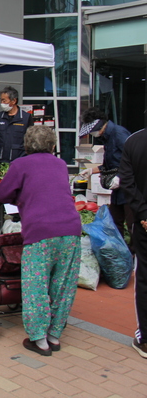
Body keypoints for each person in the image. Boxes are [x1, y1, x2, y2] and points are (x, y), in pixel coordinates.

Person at [0, 126, 82, 356]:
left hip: (40, 231)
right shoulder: (61, 165)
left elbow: (2, 194)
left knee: (36, 284)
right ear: (52, 145)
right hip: (71, 229)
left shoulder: (21, 165)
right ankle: (54, 335)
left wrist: (21, 197)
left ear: (26, 144)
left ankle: (39, 339)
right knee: (63, 284)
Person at [79, 107, 133, 243]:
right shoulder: (107, 138)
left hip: (130, 187)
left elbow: (134, 158)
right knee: (115, 223)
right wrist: (91, 171)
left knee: (133, 224)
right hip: (117, 190)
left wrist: (121, 176)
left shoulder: (119, 134)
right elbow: (108, 164)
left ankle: (136, 256)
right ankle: (121, 253)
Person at [118, 127, 147, 359]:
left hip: (144, 223)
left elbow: (127, 182)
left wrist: (143, 214)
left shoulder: (134, 141)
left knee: (144, 278)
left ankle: (145, 338)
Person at [0, 86, 33, 163]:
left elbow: (31, 140)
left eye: (4, 100)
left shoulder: (26, 118)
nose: (2, 103)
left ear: (13, 101)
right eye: (1, 100)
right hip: (0, 160)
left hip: (19, 160)